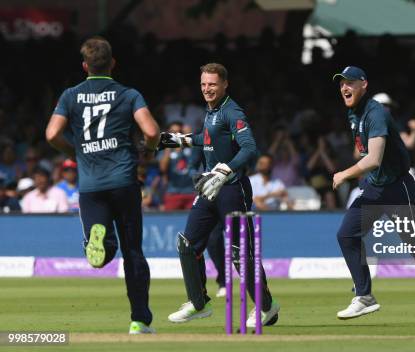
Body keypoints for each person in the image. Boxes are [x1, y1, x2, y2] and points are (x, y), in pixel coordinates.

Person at [45, 36, 160, 334]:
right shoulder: (128, 94)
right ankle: (140, 320)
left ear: (85, 66)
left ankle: (101, 241)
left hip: (90, 184)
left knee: (103, 254)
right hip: (123, 180)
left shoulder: (70, 95)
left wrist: (76, 152)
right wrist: (146, 150)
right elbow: (151, 130)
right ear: (112, 63)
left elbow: (51, 134)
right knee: (133, 251)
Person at [331, 66, 415, 325]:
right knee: (346, 234)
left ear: (364, 85)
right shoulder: (354, 113)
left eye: (351, 83)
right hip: (375, 187)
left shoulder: (376, 112)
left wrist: (344, 173)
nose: (345, 87)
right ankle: (364, 295)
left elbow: (374, 158)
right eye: (342, 84)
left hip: (397, 188)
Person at [159, 63, 279, 327]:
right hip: (208, 187)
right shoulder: (211, 111)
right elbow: (210, 139)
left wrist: (225, 169)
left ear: (225, 84)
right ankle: (198, 302)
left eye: (212, 84)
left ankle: (266, 307)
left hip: (232, 188)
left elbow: (249, 148)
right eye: (203, 84)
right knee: (187, 245)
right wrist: (180, 140)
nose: (207, 89)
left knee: (240, 252)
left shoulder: (232, 111)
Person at [159, 121, 196, 210]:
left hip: (191, 193)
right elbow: (162, 169)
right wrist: (169, 145)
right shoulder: (165, 149)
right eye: (173, 132)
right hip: (173, 193)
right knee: (171, 220)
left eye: (179, 132)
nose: (176, 135)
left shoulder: (191, 147)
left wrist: (188, 136)